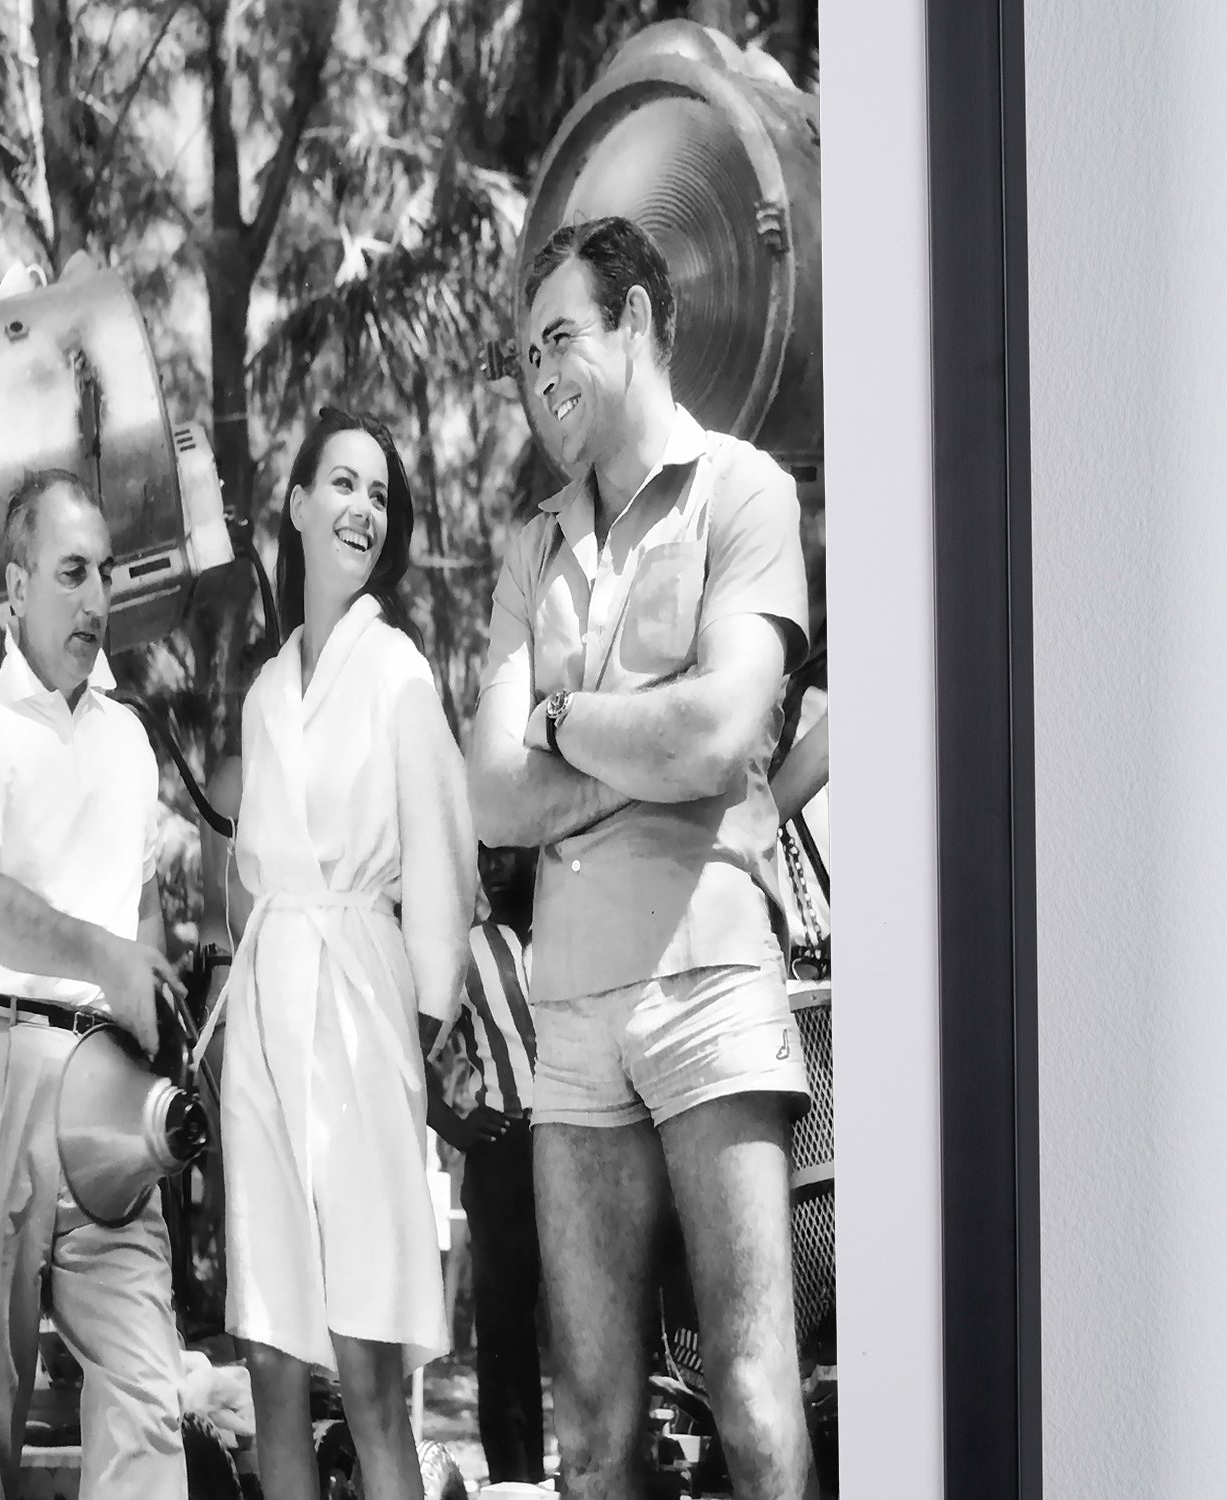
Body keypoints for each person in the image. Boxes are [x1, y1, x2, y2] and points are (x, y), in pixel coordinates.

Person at [466, 217, 817, 1500]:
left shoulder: (743, 492)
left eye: (559, 336)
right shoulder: (528, 547)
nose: (538, 374)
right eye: (523, 355)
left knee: (755, 1406)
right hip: (569, 1027)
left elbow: (720, 729)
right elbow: (489, 795)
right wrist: (649, 749)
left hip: (710, 984)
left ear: (637, 325)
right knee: (592, 1442)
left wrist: (559, 719)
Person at [209, 406, 477, 1500]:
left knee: (367, 1372)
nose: (364, 506)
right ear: (297, 504)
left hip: (362, 1014)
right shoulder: (264, 693)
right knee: (272, 1360)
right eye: (344, 483)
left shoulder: (398, 670)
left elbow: (444, 861)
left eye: (379, 492)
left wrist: (414, 1027)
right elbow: (247, 884)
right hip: (266, 1025)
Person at [0, 468, 192, 1500]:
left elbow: (137, 916)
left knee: (147, 1397)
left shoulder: (130, 740)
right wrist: (106, 958)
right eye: (71, 572)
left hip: (107, 1084)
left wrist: (150, 1009)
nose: (96, 598)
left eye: (106, 574)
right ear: (15, 591)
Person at [426, 844, 545, 1487]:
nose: (493, 864)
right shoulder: (468, 951)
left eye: (505, 849)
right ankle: (515, 1483)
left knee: (595, 1324)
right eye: (481, 853)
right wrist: (455, 1125)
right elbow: (408, 1048)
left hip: (586, 1144)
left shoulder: (571, 927)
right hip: (505, 1153)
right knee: (505, 1334)